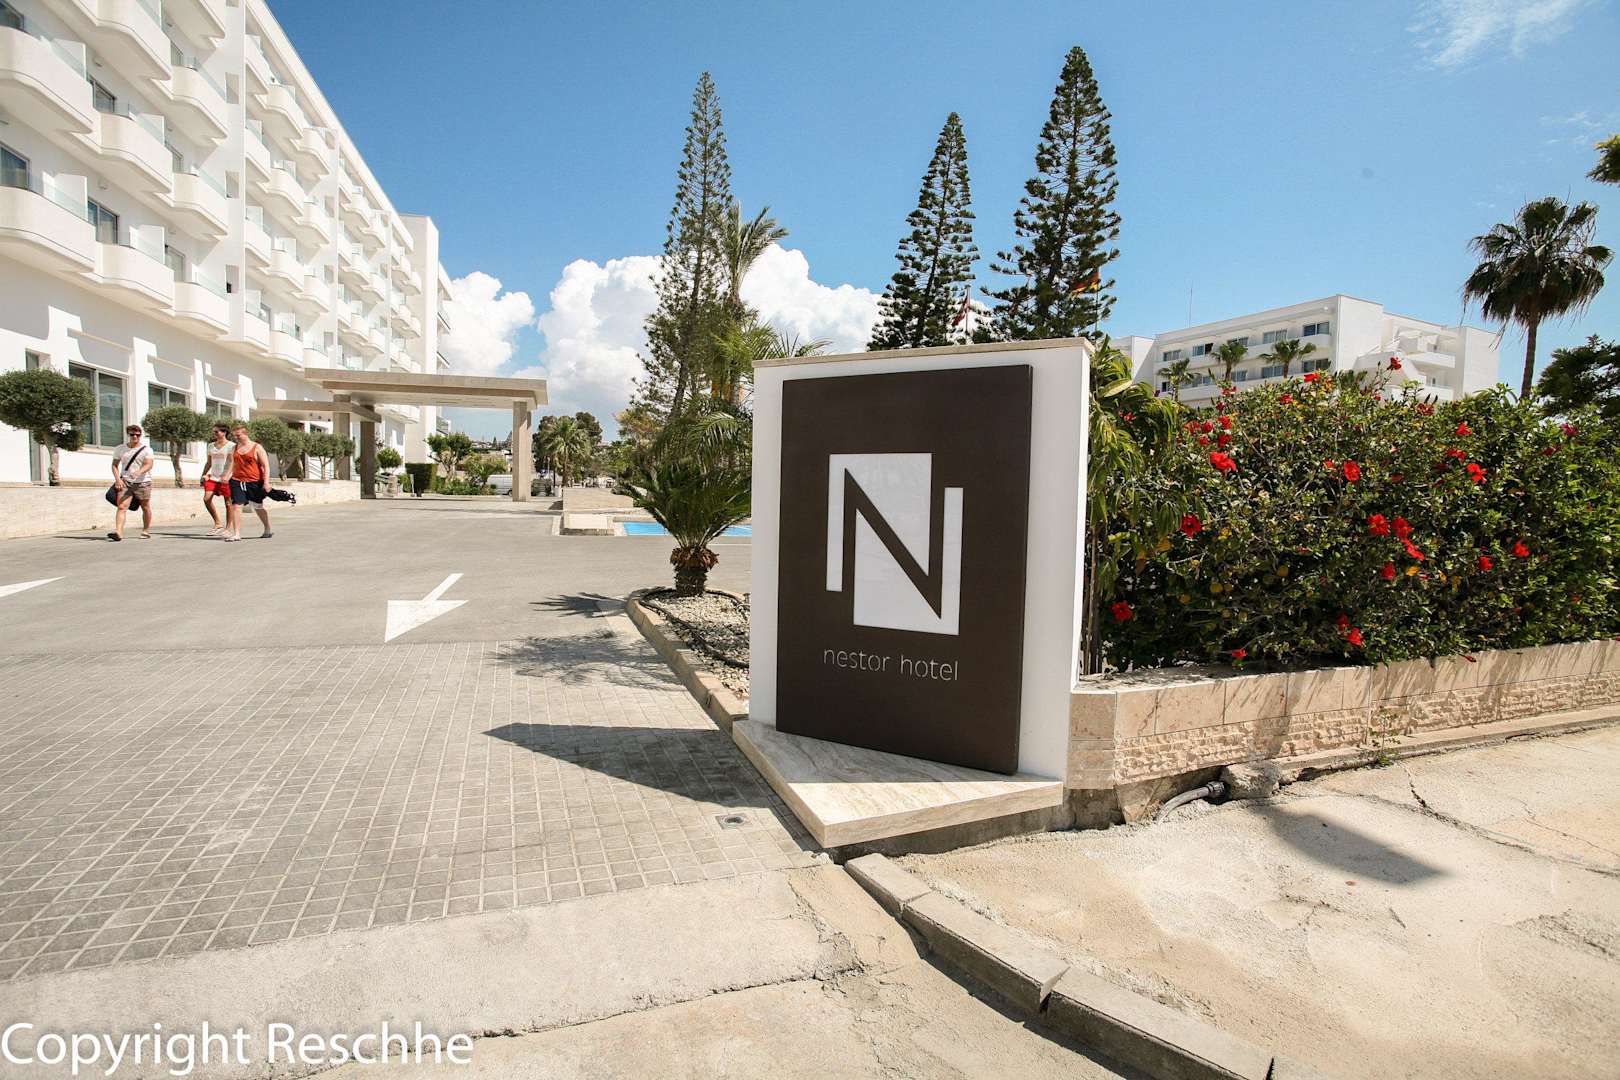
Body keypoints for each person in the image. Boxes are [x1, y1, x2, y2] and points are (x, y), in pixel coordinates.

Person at [224, 421, 273, 541]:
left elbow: (266, 466)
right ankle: (237, 534)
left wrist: (266, 482)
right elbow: (232, 463)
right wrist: (227, 475)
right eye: (234, 436)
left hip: (254, 481)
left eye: (238, 435)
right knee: (237, 505)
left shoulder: (257, 447)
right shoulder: (234, 448)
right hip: (237, 481)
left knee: (258, 506)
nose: (236, 438)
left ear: (245, 434)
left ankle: (267, 527)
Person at [108, 424, 153, 541]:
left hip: (143, 482)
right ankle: (118, 532)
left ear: (140, 435)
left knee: (145, 507)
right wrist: (118, 479)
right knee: (122, 506)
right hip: (126, 482)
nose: (135, 437)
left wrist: (139, 472)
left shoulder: (147, 450)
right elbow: (114, 465)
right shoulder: (120, 449)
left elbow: (149, 464)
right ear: (128, 435)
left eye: (138, 435)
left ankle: (145, 530)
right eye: (132, 434)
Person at [200, 422, 233, 535]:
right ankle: (218, 523)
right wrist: (203, 474)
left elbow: (233, 462)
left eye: (216, 432)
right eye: (213, 432)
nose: (214, 434)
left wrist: (227, 476)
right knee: (206, 499)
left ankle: (228, 528)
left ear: (224, 432)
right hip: (213, 477)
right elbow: (209, 462)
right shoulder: (210, 446)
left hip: (226, 478)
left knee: (228, 503)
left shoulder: (231, 446)